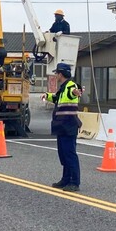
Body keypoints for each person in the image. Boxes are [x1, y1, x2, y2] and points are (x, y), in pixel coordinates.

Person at [42, 62, 83, 192]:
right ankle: (65, 179)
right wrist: (47, 96)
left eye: (56, 73)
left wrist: (77, 92)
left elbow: (75, 92)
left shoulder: (71, 86)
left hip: (68, 125)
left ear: (60, 74)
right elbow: (57, 98)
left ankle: (74, 182)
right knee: (63, 154)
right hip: (62, 126)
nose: (55, 75)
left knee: (70, 154)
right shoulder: (63, 87)